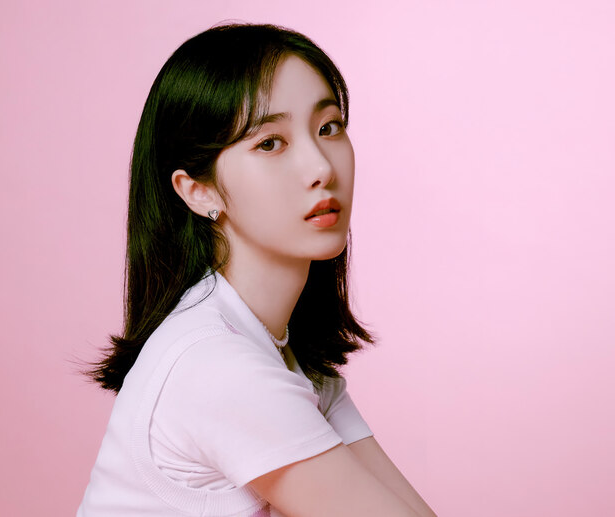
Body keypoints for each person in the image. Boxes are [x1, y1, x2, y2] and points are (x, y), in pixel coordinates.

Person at [77, 22, 436, 517]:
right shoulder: (215, 364)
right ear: (198, 190)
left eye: (328, 127)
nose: (321, 168)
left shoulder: (285, 356)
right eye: (270, 143)